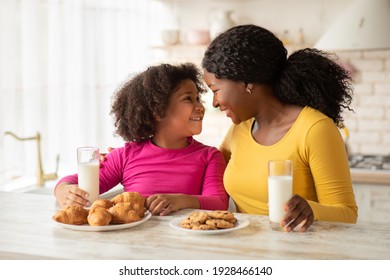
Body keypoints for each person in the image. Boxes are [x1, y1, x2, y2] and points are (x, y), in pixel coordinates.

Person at [201, 24, 357, 232]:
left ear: (247, 82)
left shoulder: (314, 129)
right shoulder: (240, 128)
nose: (214, 103)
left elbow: (347, 214)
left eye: (216, 90)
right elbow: (211, 180)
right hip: (244, 253)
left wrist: (311, 210)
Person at [54, 63, 229, 216]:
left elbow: (219, 202)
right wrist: (63, 191)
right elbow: (74, 183)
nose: (200, 106)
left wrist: (181, 201)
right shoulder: (124, 156)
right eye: (188, 99)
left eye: (198, 98)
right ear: (158, 111)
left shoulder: (209, 156)